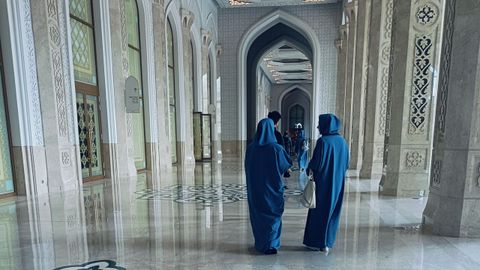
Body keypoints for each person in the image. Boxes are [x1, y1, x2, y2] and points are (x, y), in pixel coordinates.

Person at [303, 114, 349, 254]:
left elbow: (315, 165)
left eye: (320, 124)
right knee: (333, 211)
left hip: (323, 184)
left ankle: (318, 242)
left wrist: (308, 169)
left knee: (320, 212)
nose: (318, 126)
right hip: (338, 183)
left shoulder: (323, 142)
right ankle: (328, 241)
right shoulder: (343, 142)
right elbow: (347, 163)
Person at [245, 118, 292, 255]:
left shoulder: (251, 148)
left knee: (258, 215)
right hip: (272, 189)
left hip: (255, 189)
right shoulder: (276, 149)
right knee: (273, 215)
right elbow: (286, 166)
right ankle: (271, 244)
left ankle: (260, 243)